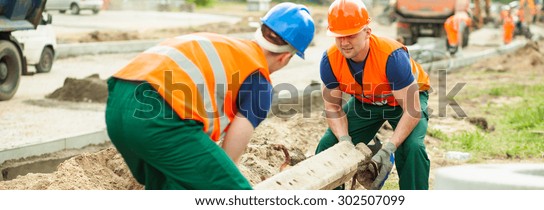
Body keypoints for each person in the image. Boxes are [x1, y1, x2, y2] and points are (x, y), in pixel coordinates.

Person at [104, 2, 315, 190]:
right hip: (159, 119)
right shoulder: (260, 83)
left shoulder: (226, 47)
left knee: (170, 187)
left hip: (117, 104)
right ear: (286, 56)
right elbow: (228, 160)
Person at [315, 0, 431, 190]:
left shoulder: (391, 56)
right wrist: (344, 142)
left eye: (350, 35)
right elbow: (333, 107)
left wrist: (389, 148)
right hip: (366, 102)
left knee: (412, 149)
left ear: (367, 32)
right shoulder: (330, 60)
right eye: (338, 36)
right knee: (329, 145)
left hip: (404, 104)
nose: (344, 42)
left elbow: (412, 109)